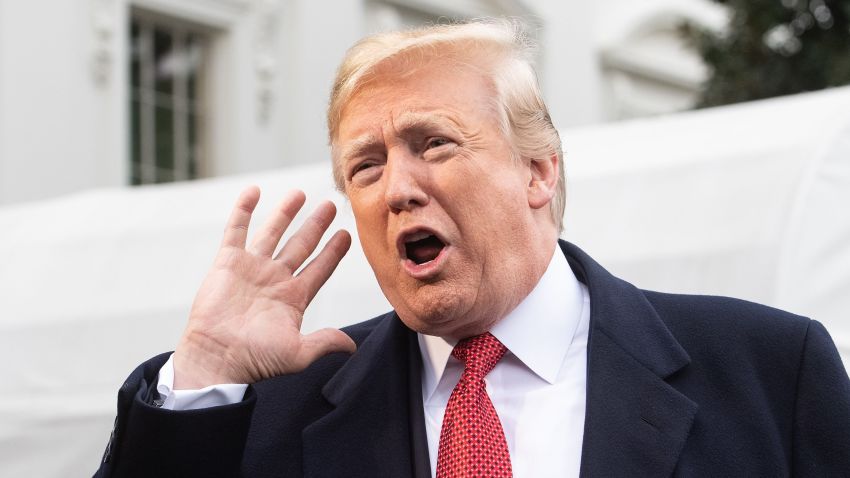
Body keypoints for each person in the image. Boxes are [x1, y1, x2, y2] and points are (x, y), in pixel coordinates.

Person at [94, 20, 850, 478]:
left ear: (538, 168)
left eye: (434, 143)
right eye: (367, 165)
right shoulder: (266, 409)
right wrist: (202, 371)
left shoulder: (769, 371)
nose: (397, 189)